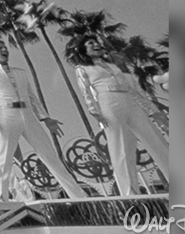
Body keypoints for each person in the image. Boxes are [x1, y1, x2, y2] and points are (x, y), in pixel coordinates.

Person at [0, 40, 86, 201]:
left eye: (5, 47)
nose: (4, 50)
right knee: (3, 160)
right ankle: (1, 199)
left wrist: (46, 118)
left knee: (50, 155)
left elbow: (32, 97)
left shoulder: (20, 72)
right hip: (6, 115)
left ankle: (79, 196)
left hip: (28, 114)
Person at [72, 36, 169, 196]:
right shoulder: (82, 68)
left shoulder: (114, 65)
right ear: (83, 50)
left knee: (155, 139)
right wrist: (94, 111)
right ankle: (130, 195)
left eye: (96, 42)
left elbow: (135, 89)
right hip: (109, 102)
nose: (96, 44)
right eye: (90, 43)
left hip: (130, 100)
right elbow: (86, 92)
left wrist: (153, 110)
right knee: (121, 147)